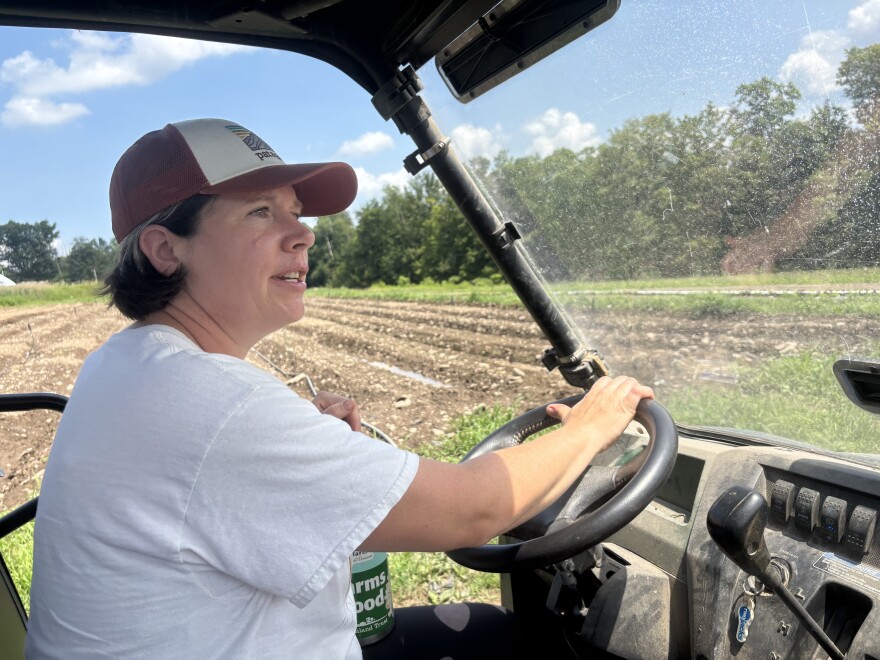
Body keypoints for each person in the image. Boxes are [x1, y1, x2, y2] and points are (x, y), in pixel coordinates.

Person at [25, 118, 653, 659]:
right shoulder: (212, 404)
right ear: (166, 249)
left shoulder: (129, 364)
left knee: (491, 633)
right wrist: (593, 423)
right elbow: (475, 509)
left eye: (295, 212)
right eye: (259, 212)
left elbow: (207, 467)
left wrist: (296, 438)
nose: (304, 233)